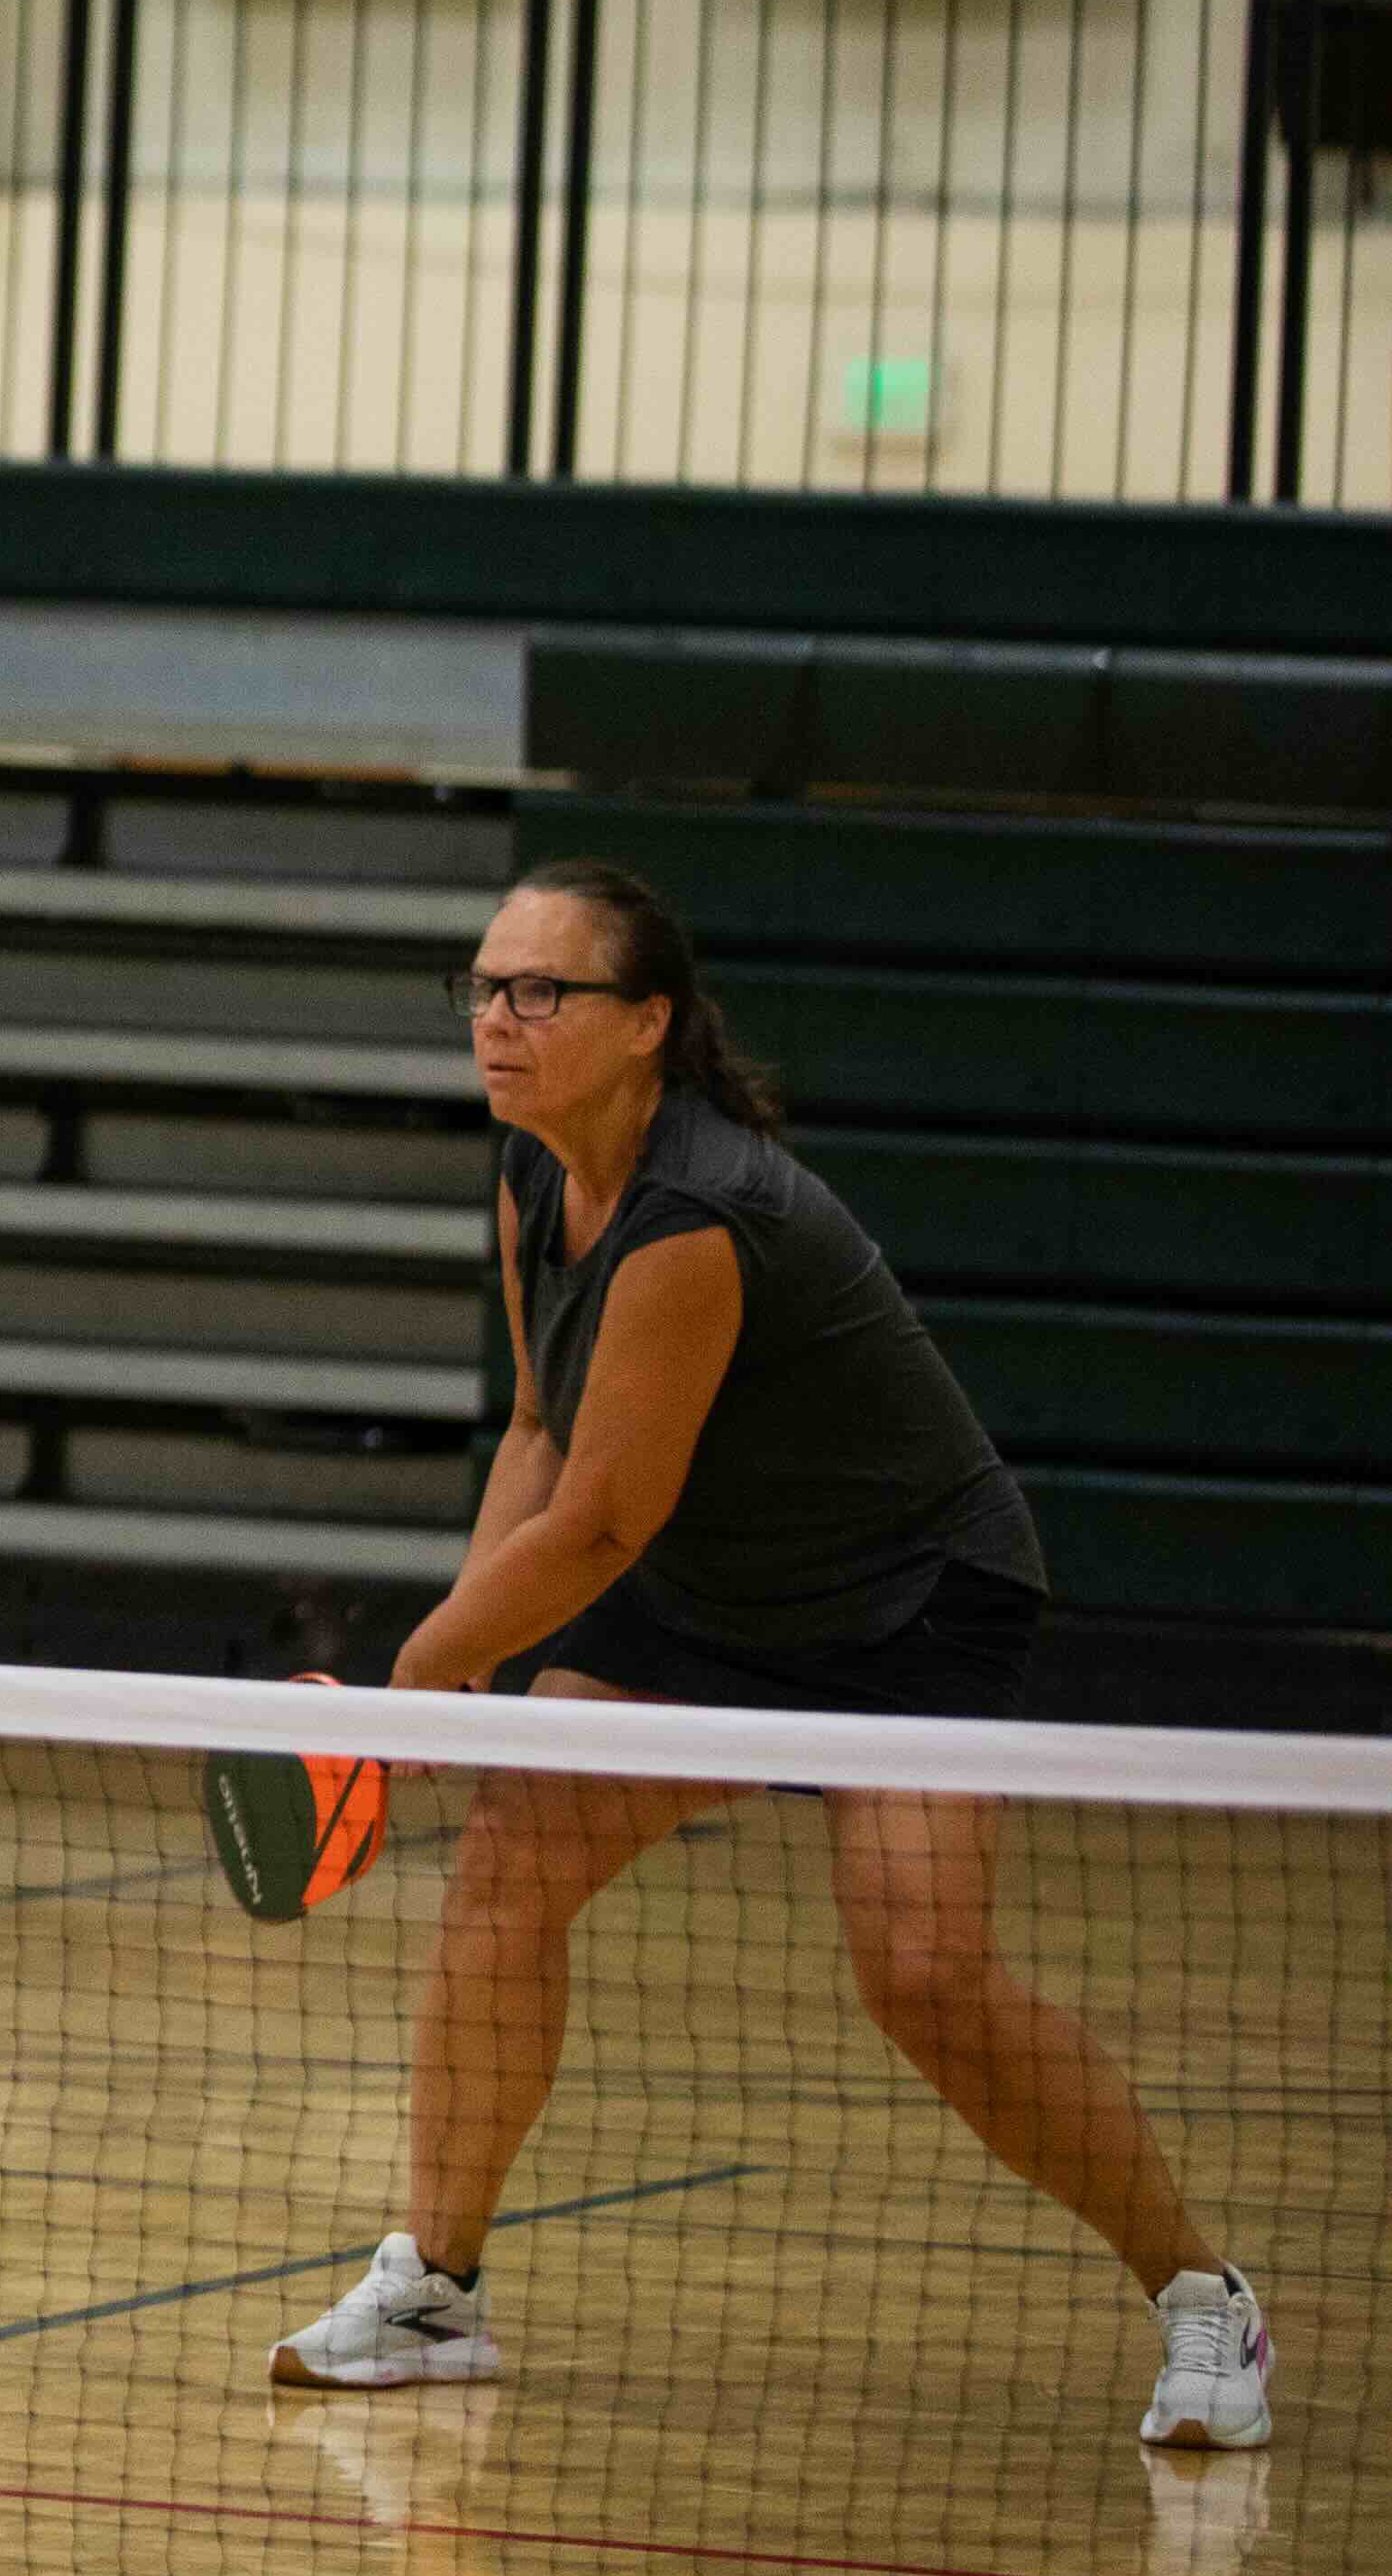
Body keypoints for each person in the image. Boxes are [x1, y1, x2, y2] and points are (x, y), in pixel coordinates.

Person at [267, 861, 1267, 2453]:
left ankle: (1208, 2299)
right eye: (483, 988)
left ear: (647, 1021)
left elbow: (594, 1526)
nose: (500, 1020)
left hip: (910, 1603)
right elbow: (536, 1429)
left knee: (925, 1974)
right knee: (511, 1864)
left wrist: (432, 1663)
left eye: (543, 991)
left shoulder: (700, 1213)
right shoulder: (533, 1177)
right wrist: (455, 1668)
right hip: (707, 1594)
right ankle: (437, 2284)